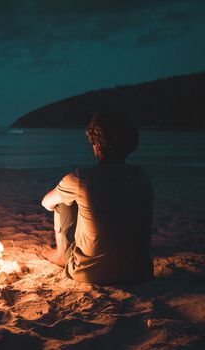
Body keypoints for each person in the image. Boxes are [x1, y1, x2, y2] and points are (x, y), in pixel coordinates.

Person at [41, 114, 153, 285]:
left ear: (96, 146)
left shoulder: (81, 178)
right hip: (138, 272)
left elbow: (46, 203)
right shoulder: (142, 176)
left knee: (62, 201)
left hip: (90, 273)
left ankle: (60, 255)